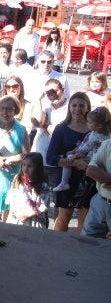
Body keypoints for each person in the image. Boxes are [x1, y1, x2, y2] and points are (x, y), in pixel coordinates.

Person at [46, 92, 92, 233]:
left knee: (84, 221)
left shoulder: (94, 129)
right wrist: (73, 162)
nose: (77, 109)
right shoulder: (61, 129)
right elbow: (51, 158)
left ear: (87, 107)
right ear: (69, 107)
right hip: (66, 180)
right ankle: (57, 250)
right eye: (74, 105)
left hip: (88, 179)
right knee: (64, 217)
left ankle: (77, 252)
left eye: (81, 105)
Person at [53, 107, 111, 192]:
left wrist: (74, 155)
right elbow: (84, 144)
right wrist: (74, 151)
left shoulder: (97, 137)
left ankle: (64, 182)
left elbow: (85, 148)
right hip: (91, 158)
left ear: (99, 125)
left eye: (90, 122)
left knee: (68, 159)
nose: (87, 123)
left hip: (91, 159)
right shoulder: (94, 134)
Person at [6, 152, 50, 228]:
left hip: (33, 221)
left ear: (37, 168)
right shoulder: (18, 179)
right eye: (23, 165)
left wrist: (29, 214)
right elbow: (11, 196)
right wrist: (15, 210)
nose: (25, 169)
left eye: (30, 166)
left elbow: (44, 205)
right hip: (17, 218)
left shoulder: (42, 185)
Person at [81, 135, 111, 238]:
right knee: (86, 243)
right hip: (100, 203)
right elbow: (90, 171)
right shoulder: (108, 144)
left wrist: (106, 178)